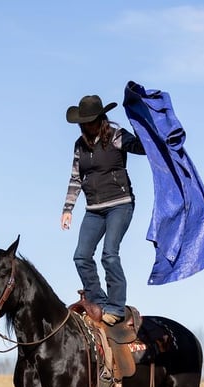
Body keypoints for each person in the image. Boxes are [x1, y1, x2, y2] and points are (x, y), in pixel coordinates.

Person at [60, 94, 145, 325]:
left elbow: (141, 148)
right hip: (94, 209)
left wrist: (146, 132)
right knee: (81, 256)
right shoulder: (80, 145)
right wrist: (68, 208)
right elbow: (75, 178)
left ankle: (116, 307)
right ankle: (98, 302)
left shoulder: (116, 136)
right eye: (83, 122)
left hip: (120, 204)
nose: (87, 126)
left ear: (101, 119)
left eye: (91, 121)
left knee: (109, 254)